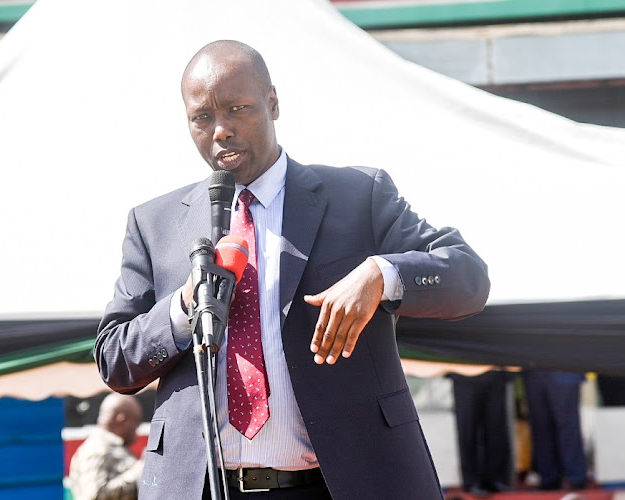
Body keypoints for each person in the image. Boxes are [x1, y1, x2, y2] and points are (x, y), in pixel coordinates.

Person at [95, 40, 490, 499]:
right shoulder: (154, 223)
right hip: (205, 488)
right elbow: (113, 358)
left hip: (343, 484)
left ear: (273, 103)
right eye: (202, 117)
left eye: (237, 108)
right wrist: (184, 308)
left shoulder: (357, 196)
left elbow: (468, 278)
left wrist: (383, 274)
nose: (220, 130)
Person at [448, 370, 514, 497]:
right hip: (464, 374)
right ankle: (472, 481)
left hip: (495, 373)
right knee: (468, 430)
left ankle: (497, 479)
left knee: (497, 429)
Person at [69, 393, 145, 500]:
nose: (137, 427)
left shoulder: (111, 446)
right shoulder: (97, 449)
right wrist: (139, 470)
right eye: (136, 420)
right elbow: (95, 495)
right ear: (122, 419)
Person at [522, 370, 588, 491]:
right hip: (533, 372)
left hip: (564, 371)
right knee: (540, 428)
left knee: (568, 427)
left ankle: (576, 478)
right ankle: (548, 478)